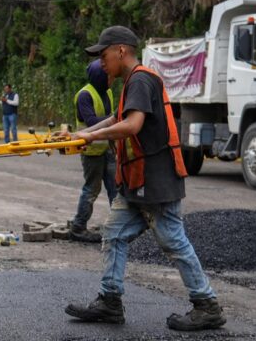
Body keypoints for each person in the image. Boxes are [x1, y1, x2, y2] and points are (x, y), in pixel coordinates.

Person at [64, 26, 225, 331]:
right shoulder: (133, 82)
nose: (100, 62)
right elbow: (118, 118)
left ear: (121, 50)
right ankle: (110, 301)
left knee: (173, 241)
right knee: (114, 233)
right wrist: (80, 135)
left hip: (154, 181)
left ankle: (207, 305)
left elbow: (132, 125)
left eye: (103, 55)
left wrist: (91, 136)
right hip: (136, 182)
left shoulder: (140, 79)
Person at [69, 61, 117, 243]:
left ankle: (119, 227)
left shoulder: (107, 92)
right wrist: (115, 118)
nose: (112, 79)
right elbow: (91, 122)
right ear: (100, 77)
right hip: (91, 152)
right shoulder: (84, 95)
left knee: (115, 188)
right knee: (91, 190)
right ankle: (78, 227)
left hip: (107, 149)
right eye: (109, 76)